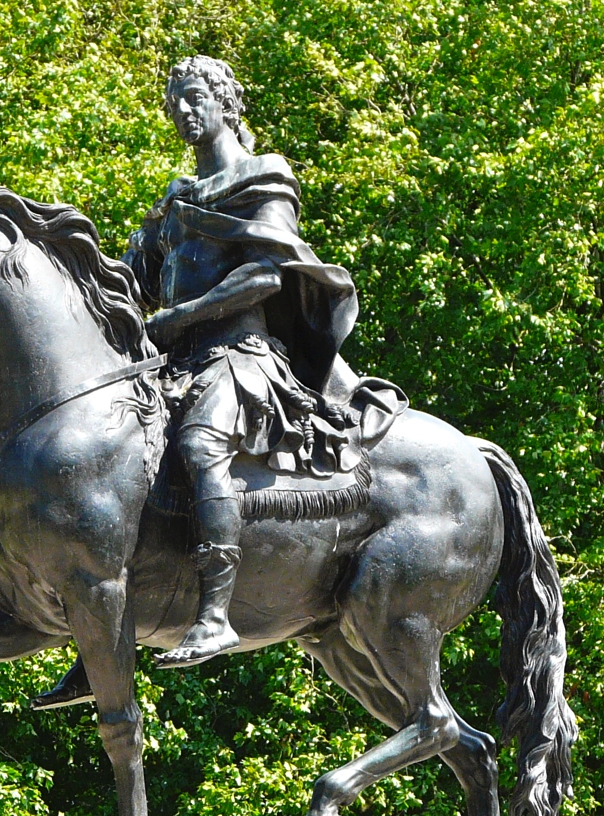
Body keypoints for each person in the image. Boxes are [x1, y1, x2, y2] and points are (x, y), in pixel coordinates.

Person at [32, 55, 403, 705]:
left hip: (243, 355)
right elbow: (123, 285)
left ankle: (216, 613)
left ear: (227, 102)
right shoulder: (175, 200)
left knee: (202, 446)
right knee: (106, 458)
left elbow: (266, 275)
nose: (183, 110)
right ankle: (99, 639)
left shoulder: (264, 176)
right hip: (175, 363)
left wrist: (181, 316)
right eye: (174, 100)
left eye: (195, 96)